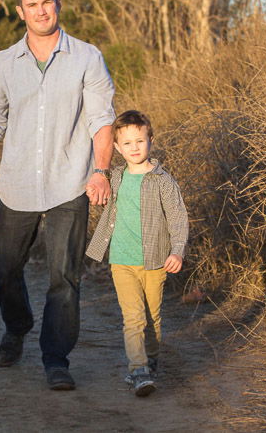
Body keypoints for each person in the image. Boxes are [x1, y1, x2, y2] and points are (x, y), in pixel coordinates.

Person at [0, 0, 116, 390]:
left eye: (47, 2)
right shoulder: (3, 63)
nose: (41, 10)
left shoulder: (87, 57)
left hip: (71, 181)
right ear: (20, 11)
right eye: (32, 5)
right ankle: (17, 326)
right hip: (17, 183)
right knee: (5, 267)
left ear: (58, 4)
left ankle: (56, 358)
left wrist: (100, 171)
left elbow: (102, 119)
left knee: (64, 276)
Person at [86, 110, 189, 397]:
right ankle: (138, 370)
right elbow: (98, 196)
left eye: (140, 141)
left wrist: (178, 251)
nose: (134, 148)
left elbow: (178, 218)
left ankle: (151, 359)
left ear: (150, 141)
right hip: (121, 261)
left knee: (152, 318)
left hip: (155, 261)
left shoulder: (163, 181)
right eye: (127, 143)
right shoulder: (115, 178)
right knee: (133, 318)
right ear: (117, 147)